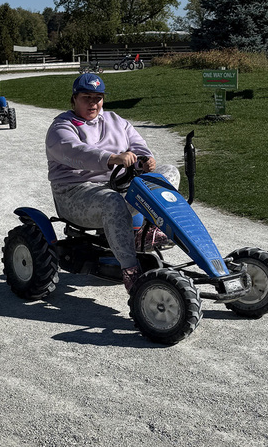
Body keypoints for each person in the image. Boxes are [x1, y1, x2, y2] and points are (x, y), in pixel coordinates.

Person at [45, 73, 180, 293]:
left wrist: (145, 160)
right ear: (74, 98)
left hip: (116, 186)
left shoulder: (115, 121)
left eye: (97, 97)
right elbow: (77, 151)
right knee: (113, 202)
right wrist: (110, 159)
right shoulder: (62, 128)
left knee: (168, 174)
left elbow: (137, 144)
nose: (93, 103)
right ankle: (131, 271)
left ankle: (148, 231)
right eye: (86, 97)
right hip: (75, 194)